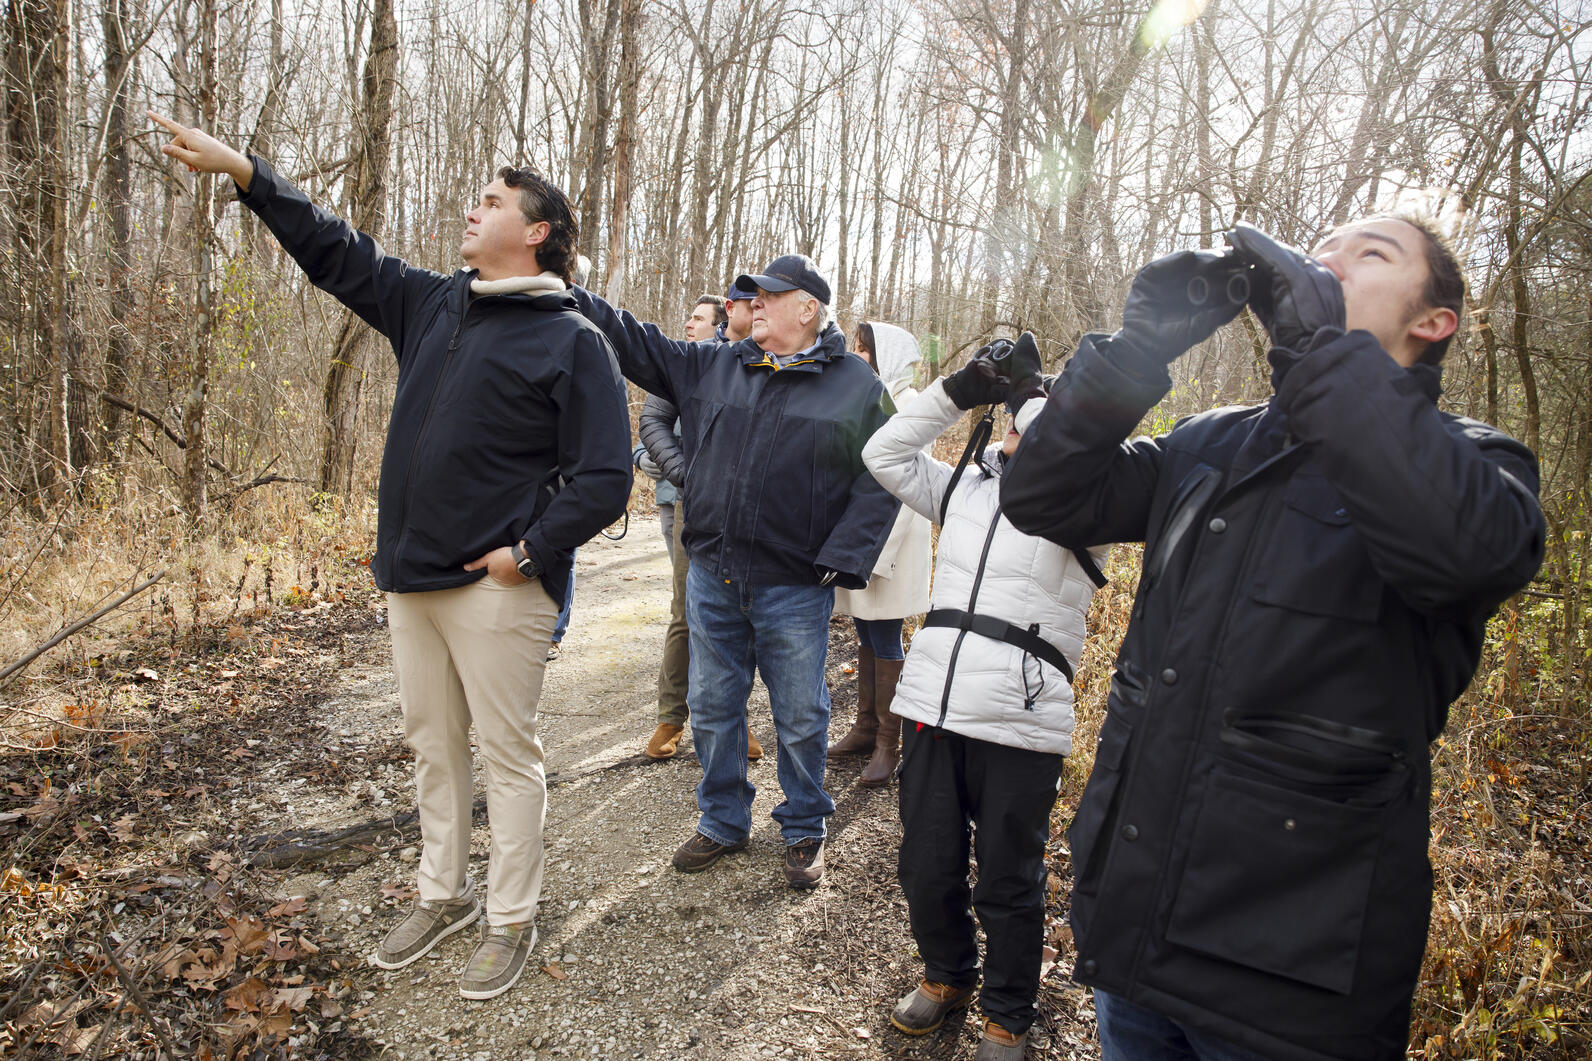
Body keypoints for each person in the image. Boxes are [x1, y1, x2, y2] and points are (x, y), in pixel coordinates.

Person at [999, 218, 1546, 1060]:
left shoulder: (1474, 463)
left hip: (1294, 982)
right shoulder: (1213, 440)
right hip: (1138, 937)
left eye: (1372, 253)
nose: (1327, 260)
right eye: (1324, 244)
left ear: (1434, 321)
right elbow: (1044, 495)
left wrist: (1321, 347)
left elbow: (1467, 555)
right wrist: (1138, 349)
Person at [150, 114, 632, 1001]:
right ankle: (440, 892)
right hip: (410, 578)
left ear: (536, 232)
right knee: (433, 749)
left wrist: (527, 552)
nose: (472, 207)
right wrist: (251, 174)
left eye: (492, 201)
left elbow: (606, 476)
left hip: (498, 588)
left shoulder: (574, 338)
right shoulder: (433, 302)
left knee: (506, 753)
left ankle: (509, 917)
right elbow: (338, 252)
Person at [569, 254, 900, 888]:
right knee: (714, 706)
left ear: (806, 309)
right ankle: (723, 820)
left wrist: (843, 557)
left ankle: (804, 825)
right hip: (712, 574)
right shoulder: (716, 364)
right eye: (750, 298)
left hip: (795, 587)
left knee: (801, 713)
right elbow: (634, 343)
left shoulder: (856, 384)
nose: (749, 307)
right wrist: (570, 290)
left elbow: (885, 475)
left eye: (766, 298)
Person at [862, 333, 1107, 1060]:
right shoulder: (964, 486)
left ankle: (1007, 1012)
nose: (1021, 435)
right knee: (926, 862)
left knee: (1008, 876)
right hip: (935, 701)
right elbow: (883, 455)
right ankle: (947, 976)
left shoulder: (1088, 506)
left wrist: (1050, 413)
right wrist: (959, 391)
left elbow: (1077, 460)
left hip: (1021, 717)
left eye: (1042, 424)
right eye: (1017, 418)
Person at [635, 293, 762, 763]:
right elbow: (652, 420)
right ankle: (671, 716)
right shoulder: (690, 361)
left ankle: (737, 719)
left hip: (751, 509)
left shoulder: (767, 360)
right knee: (687, 610)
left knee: (741, 613)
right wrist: (687, 472)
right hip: (696, 505)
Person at [830, 321, 932, 786]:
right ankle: (866, 727)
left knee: (886, 639)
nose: (857, 355)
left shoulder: (910, 406)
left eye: (863, 349)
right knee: (867, 637)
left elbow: (910, 491)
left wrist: (877, 555)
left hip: (892, 544)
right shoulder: (873, 398)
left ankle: (890, 745)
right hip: (865, 540)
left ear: (883, 354)